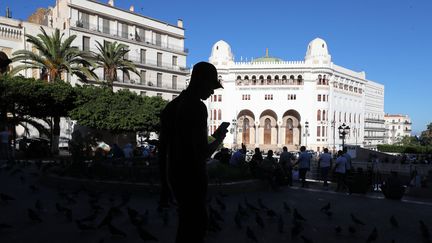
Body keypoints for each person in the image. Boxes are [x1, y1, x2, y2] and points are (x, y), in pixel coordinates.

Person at [159, 62, 227, 243]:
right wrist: (219, 138)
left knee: (184, 226)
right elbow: (202, 153)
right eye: (211, 86)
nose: (212, 92)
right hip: (192, 177)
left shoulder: (171, 106)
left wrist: (164, 184)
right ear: (201, 81)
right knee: (196, 226)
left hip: (175, 176)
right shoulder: (197, 108)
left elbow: (163, 148)